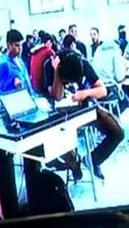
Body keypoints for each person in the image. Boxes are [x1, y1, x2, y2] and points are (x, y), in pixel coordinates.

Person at [45, 51, 123, 181]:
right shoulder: (49, 65)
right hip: (62, 115)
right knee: (59, 138)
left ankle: (92, 160)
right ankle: (75, 165)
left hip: (86, 108)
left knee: (117, 132)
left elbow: (102, 90)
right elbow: (57, 96)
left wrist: (85, 93)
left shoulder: (83, 64)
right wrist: (57, 72)